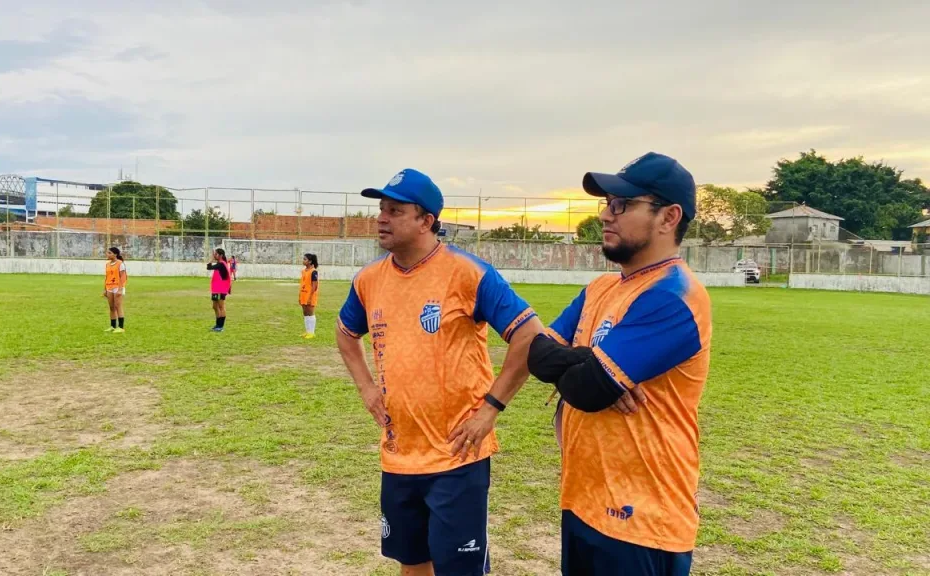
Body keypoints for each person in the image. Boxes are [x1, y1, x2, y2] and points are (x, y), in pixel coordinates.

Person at [336, 168, 544, 576]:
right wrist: (366, 387)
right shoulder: (368, 280)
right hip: (398, 454)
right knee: (411, 563)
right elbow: (346, 334)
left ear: (426, 221)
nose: (381, 218)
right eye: (381, 209)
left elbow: (529, 336)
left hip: (457, 455)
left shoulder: (468, 273)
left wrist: (490, 409)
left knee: (459, 570)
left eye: (395, 210)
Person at [526, 152, 712, 576]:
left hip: (642, 519)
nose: (607, 216)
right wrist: (592, 362)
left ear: (669, 217)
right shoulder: (602, 287)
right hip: (583, 500)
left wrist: (587, 369)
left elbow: (585, 391)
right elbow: (538, 355)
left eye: (623, 205)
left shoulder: (675, 295)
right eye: (607, 203)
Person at [103, 247, 127, 333]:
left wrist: (120, 289)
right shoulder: (107, 264)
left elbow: (123, 277)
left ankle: (121, 327)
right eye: (107, 253)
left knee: (118, 306)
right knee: (111, 307)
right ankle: (113, 326)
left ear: (115, 254)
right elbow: (107, 277)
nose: (107, 254)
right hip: (109, 287)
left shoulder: (120, 264)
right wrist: (105, 289)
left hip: (117, 287)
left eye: (109, 253)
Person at [207, 248, 231, 332]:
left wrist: (212, 259)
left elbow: (209, 267)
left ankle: (220, 326)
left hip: (221, 289)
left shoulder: (221, 264)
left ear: (220, 255)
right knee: (214, 306)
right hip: (216, 289)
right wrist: (213, 259)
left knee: (221, 307)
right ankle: (217, 324)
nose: (215, 255)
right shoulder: (220, 264)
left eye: (216, 254)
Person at [299, 253, 319, 339]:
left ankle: (312, 332)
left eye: (305, 259)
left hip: (310, 295)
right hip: (303, 294)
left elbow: (314, 286)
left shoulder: (313, 272)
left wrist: (310, 297)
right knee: (305, 313)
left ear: (310, 261)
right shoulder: (303, 271)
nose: (303, 261)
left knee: (310, 313)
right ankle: (307, 331)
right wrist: (299, 295)